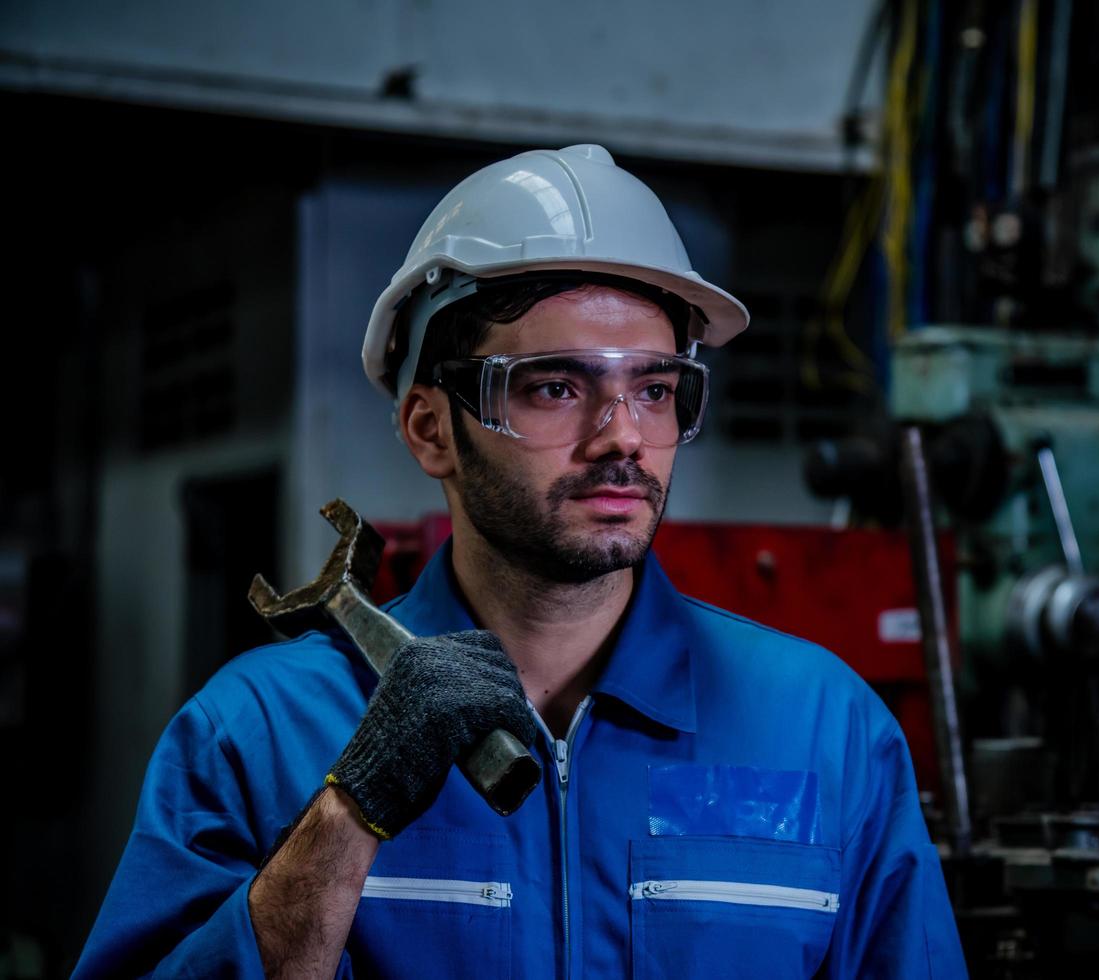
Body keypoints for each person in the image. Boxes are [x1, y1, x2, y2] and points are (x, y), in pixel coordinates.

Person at [76, 144, 966, 978]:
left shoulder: (823, 728)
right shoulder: (256, 733)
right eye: (554, 388)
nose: (621, 436)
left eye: (655, 390)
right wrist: (349, 811)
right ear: (431, 429)